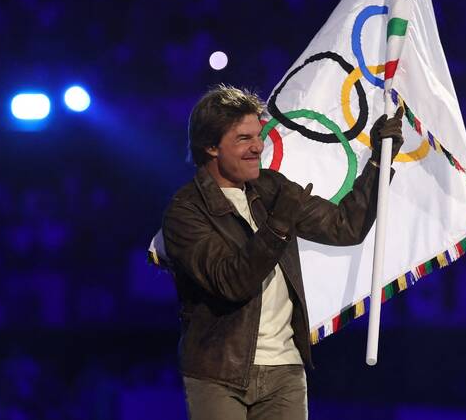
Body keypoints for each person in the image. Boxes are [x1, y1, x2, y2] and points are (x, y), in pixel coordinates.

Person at [162, 84, 404, 420]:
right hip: (218, 374)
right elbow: (232, 281)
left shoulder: (272, 187)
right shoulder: (185, 211)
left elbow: (345, 226)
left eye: (257, 136)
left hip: (286, 370)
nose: (258, 147)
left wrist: (380, 159)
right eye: (243, 139)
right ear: (210, 146)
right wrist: (277, 226)